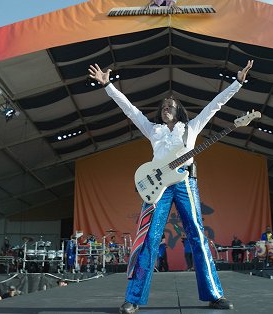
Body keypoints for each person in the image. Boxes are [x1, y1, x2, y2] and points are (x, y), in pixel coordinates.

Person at [89, 60, 253, 314]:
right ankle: (133, 298)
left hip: (185, 182)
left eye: (171, 106)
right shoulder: (153, 130)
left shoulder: (191, 128)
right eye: (163, 106)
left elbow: (216, 105)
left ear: (178, 112)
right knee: (148, 239)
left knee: (198, 235)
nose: (166, 108)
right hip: (157, 188)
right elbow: (130, 110)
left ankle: (214, 294)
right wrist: (108, 85)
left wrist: (238, 82)